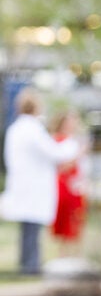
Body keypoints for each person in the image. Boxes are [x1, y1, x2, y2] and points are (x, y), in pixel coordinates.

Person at [1, 88, 81, 274]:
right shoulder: (32, 129)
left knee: (27, 231)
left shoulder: (15, 129)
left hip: (24, 186)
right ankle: (30, 267)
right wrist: (73, 145)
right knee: (32, 231)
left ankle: (27, 265)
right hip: (33, 188)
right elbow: (54, 152)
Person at [51, 110, 89, 257]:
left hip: (77, 185)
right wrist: (79, 154)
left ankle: (76, 256)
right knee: (66, 222)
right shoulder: (58, 141)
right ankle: (63, 256)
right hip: (65, 185)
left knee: (77, 220)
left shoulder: (75, 141)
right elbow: (60, 166)